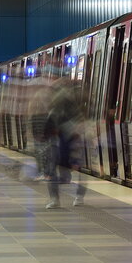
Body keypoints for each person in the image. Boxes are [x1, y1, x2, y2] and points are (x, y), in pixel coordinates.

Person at [43, 74, 85, 209]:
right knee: (79, 168)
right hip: (71, 138)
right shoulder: (76, 104)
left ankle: (55, 199)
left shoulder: (55, 105)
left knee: (52, 168)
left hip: (59, 140)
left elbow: (49, 122)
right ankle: (79, 197)